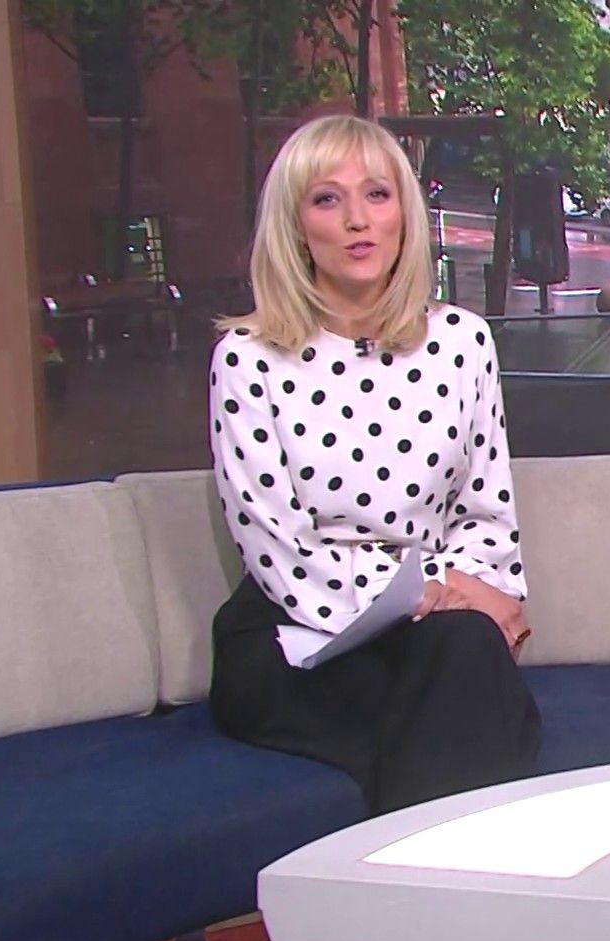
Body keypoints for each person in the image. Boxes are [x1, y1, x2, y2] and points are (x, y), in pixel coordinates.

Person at [207, 115, 540, 814]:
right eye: (327, 199)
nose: (357, 220)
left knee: (459, 662)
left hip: (430, 629)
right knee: (470, 695)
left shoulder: (462, 343)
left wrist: (452, 594)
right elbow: (278, 550)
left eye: (377, 195)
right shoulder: (247, 360)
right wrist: (433, 590)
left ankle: (403, 881)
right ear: (296, 227)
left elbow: (486, 515)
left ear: (404, 215)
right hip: (296, 633)